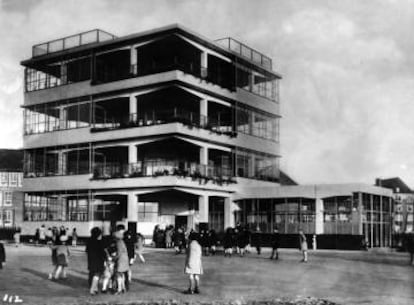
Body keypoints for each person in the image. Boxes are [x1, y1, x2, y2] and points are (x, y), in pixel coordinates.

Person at [86, 227, 106, 295]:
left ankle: (95, 288)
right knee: (97, 275)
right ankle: (93, 289)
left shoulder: (89, 241)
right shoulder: (99, 242)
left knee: (92, 273)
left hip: (91, 260)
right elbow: (102, 252)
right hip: (98, 260)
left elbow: (87, 251)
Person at [114, 225, 129, 294]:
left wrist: (114, 257)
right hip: (125, 259)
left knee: (118, 274)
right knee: (122, 274)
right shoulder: (122, 241)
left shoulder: (118, 242)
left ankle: (119, 289)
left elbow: (119, 252)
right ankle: (123, 288)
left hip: (121, 260)